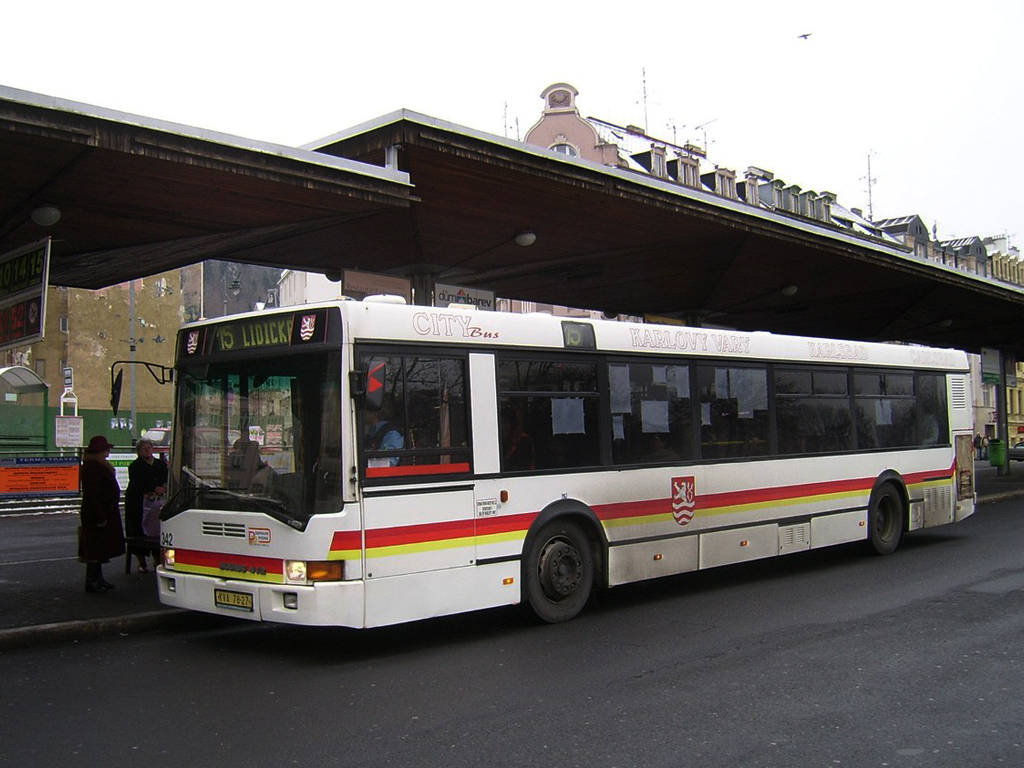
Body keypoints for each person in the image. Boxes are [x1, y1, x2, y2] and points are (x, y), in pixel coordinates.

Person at [78, 435, 125, 593]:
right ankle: (92, 580)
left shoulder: (95, 464)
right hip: (98, 513)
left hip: (103, 511)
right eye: (107, 448)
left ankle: (97, 578)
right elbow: (93, 494)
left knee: (99, 547)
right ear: (101, 450)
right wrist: (100, 516)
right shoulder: (94, 466)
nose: (108, 451)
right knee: (95, 547)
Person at [124, 437, 168, 573]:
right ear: (138, 451)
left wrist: (164, 486)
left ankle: (157, 559)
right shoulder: (135, 466)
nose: (147, 451)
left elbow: (165, 478)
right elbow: (137, 483)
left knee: (156, 531)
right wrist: (153, 488)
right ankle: (141, 562)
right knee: (138, 531)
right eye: (143, 448)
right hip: (138, 503)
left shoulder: (161, 464)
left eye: (149, 448)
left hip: (158, 502)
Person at [364, 402, 404, 467]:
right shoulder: (371, 432)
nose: (363, 412)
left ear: (374, 414)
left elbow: (389, 463)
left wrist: (363, 464)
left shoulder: (392, 434)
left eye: (365, 410)